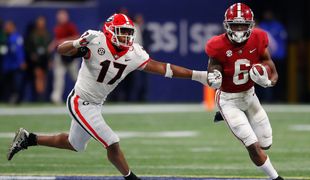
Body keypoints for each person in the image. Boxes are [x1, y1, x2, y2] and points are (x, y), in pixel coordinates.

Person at [7, 13, 208, 180]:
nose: (126, 37)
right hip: (80, 101)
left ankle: (29, 138)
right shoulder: (95, 40)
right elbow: (61, 50)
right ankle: (131, 178)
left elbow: (164, 68)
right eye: (122, 32)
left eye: (129, 33)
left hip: (95, 104)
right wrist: (78, 42)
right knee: (112, 141)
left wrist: (198, 76)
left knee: (74, 144)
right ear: (110, 30)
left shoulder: (134, 53)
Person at [206, 3, 283, 180]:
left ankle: (231, 116)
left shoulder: (259, 37)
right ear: (226, 25)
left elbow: (268, 62)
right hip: (228, 100)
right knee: (253, 145)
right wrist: (214, 75)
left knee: (266, 143)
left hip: (250, 96)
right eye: (235, 25)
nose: (239, 29)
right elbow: (213, 69)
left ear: (251, 25)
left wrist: (270, 80)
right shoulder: (217, 44)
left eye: (243, 25)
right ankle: (276, 178)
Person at [49, 9, 79, 104]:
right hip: (60, 56)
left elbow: (77, 37)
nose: (61, 17)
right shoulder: (57, 27)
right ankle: (56, 98)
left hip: (71, 54)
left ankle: (83, 97)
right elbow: (56, 41)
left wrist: (63, 40)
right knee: (58, 77)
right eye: (59, 15)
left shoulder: (70, 26)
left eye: (63, 15)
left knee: (77, 78)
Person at [1, 20, 26, 104]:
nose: (6, 28)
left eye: (8, 26)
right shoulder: (7, 37)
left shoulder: (15, 38)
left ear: (12, 27)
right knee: (8, 84)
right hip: (7, 65)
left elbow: (18, 52)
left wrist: (21, 62)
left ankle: (15, 99)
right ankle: (9, 98)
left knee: (15, 84)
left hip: (14, 65)